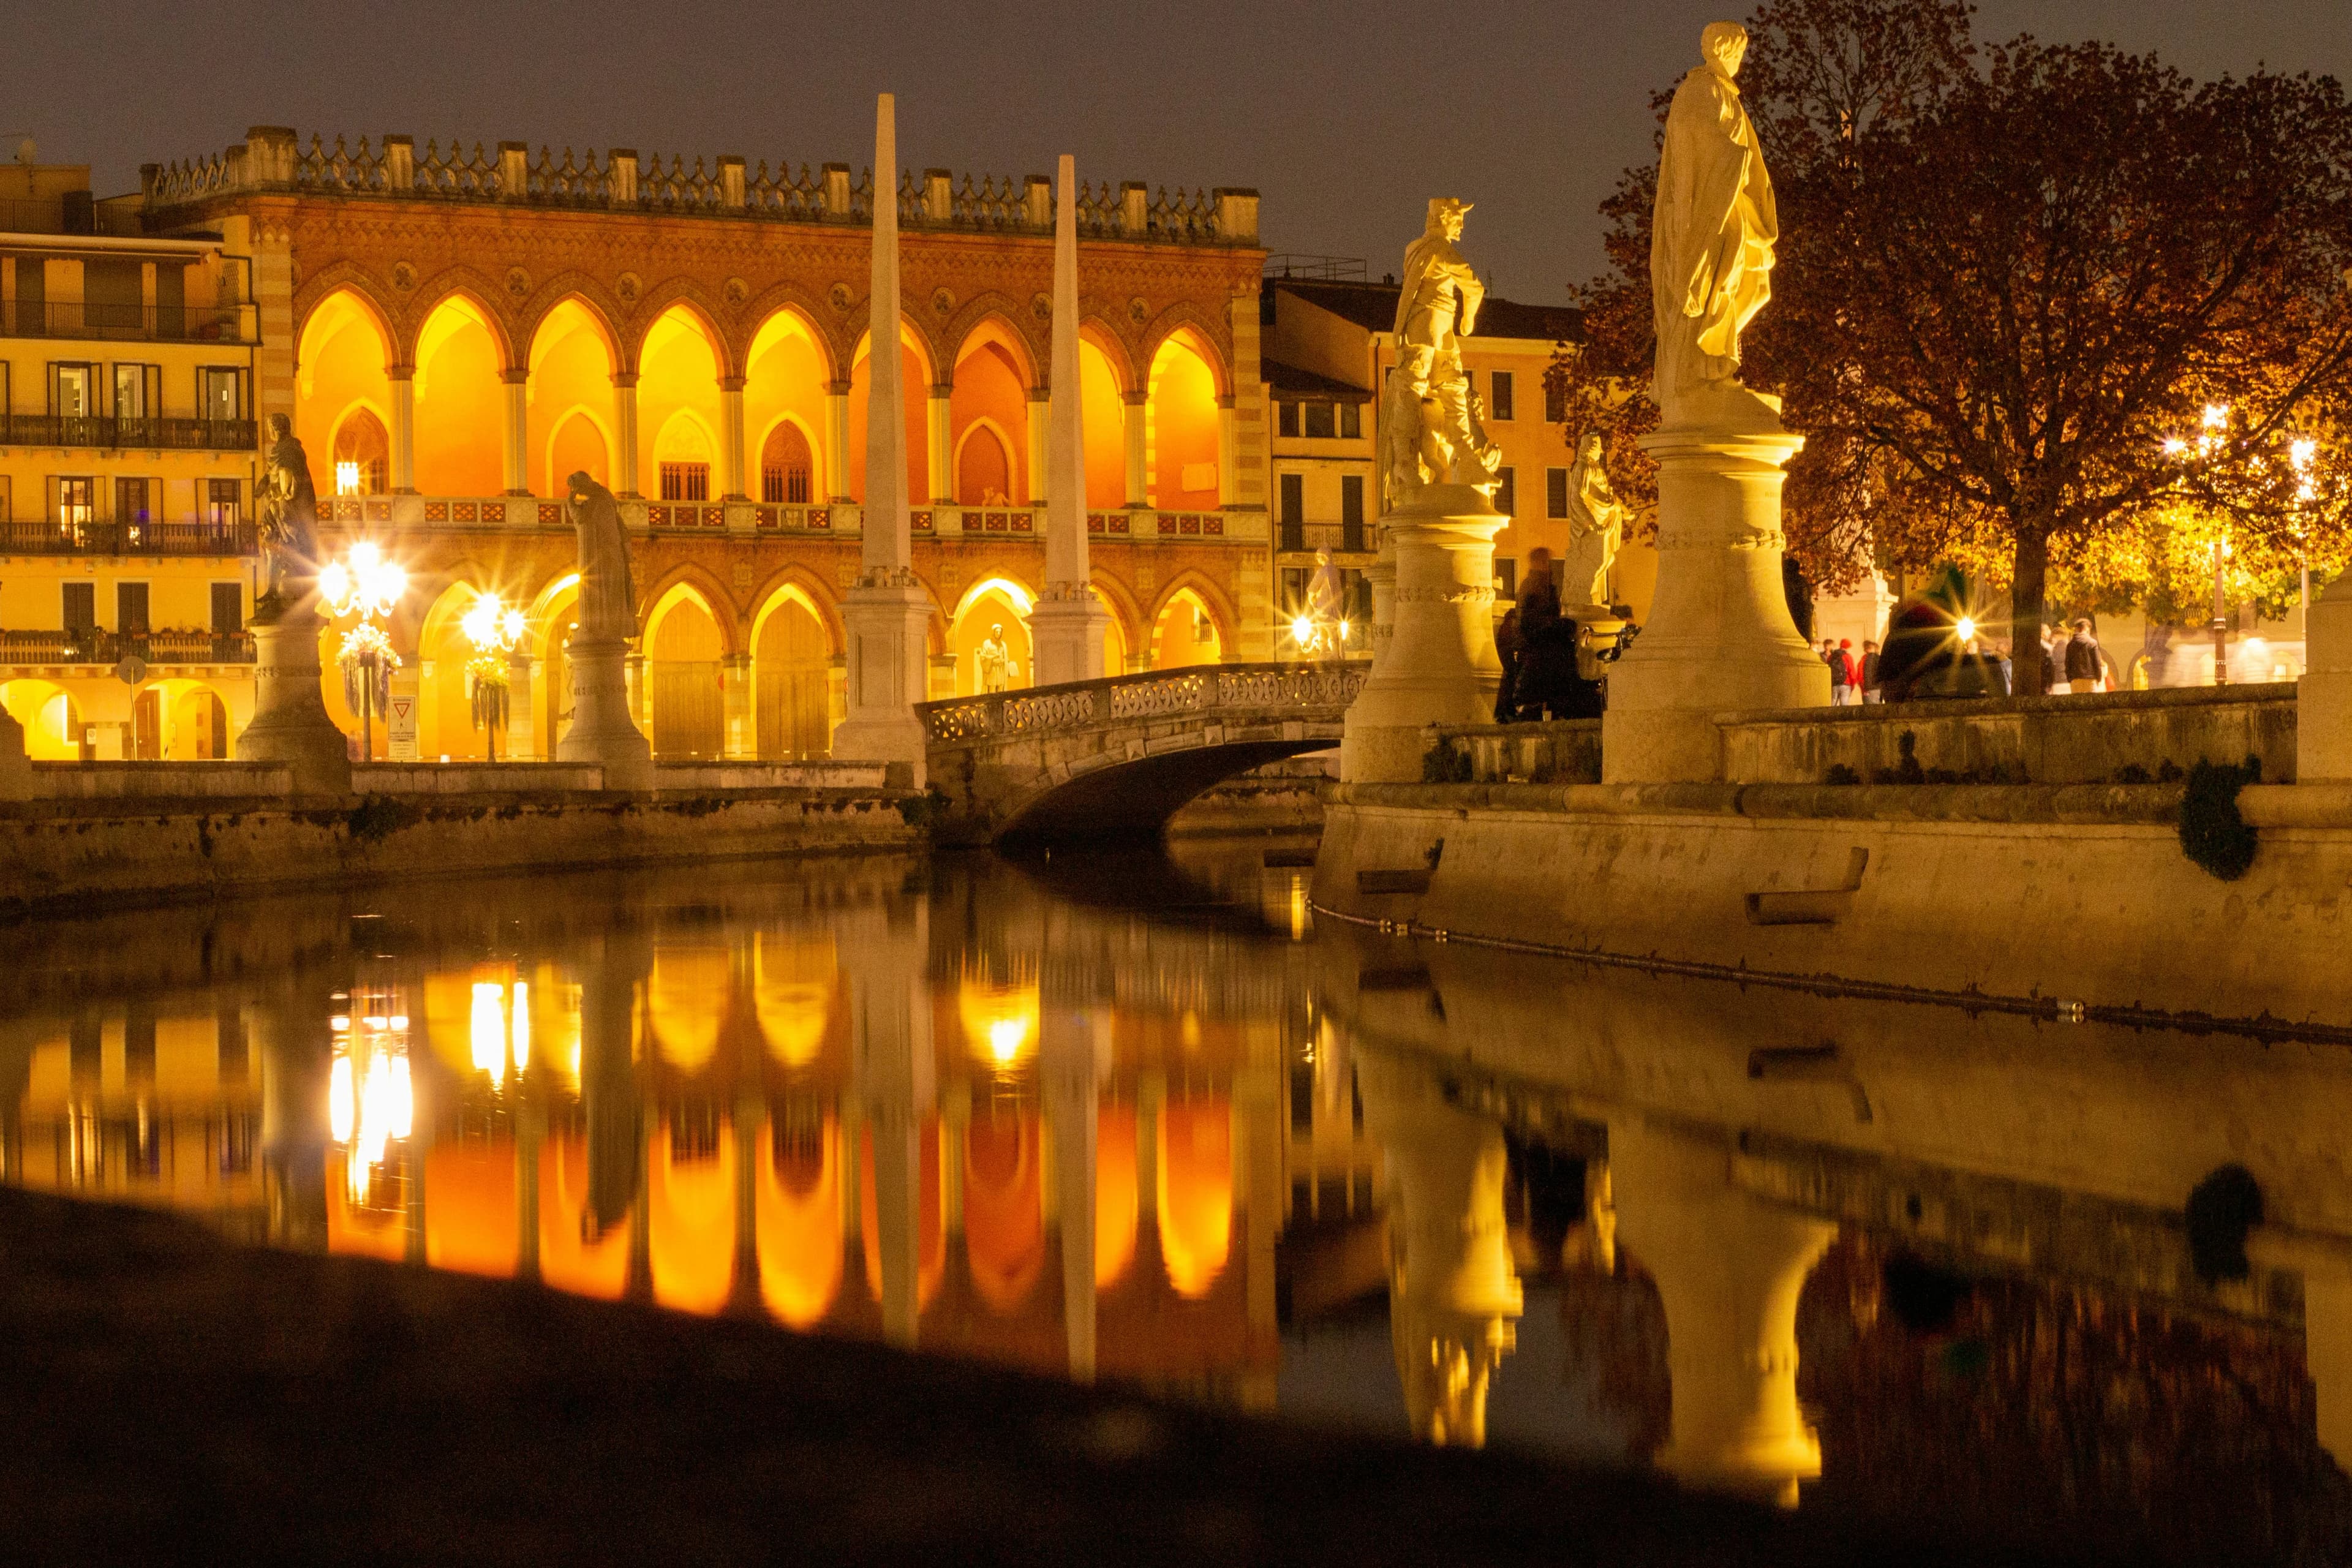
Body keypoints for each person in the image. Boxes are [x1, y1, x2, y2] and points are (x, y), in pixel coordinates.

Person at [2064, 617, 2108, 694]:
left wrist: (2070, 678)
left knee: (2077, 704)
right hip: (2090, 679)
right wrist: (2098, 678)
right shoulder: (2092, 643)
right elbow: (2097, 662)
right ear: (2087, 629)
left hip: (2076, 679)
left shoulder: (2070, 644)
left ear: (2077, 629)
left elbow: (2067, 663)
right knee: (2092, 703)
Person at [1828, 639, 1855, 705]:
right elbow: (1852, 672)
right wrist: (1853, 685)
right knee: (1844, 706)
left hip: (1834, 684)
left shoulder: (1831, 656)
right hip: (1846, 683)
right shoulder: (1848, 657)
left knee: (1832, 704)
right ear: (1848, 647)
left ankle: (1830, 715)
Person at [1860, 639, 1883, 703]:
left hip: (1871, 688)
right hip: (1879, 687)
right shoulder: (1879, 658)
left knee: (1871, 707)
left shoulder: (1870, 658)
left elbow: (1868, 673)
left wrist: (1866, 687)